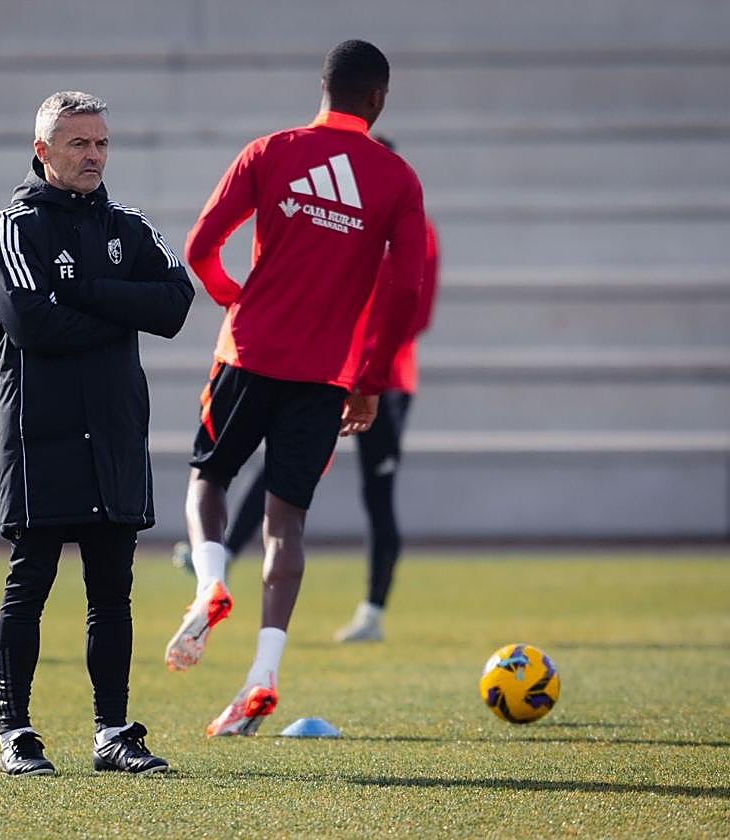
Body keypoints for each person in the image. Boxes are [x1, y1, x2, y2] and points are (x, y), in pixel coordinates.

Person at [165, 40, 427, 737]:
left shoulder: (270, 150)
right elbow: (406, 291)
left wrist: (233, 298)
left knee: (208, 479)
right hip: (324, 377)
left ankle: (210, 585)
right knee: (286, 523)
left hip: (248, 354)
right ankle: (263, 674)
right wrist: (369, 381)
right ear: (377, 99)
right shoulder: (398, 179)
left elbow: (199, 247)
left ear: (323, 86)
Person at [0, 90, 194, 776]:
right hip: (41, 435)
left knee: (111, 592)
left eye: (101, 143)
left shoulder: (128, 224)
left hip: (114, 435)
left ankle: (113, 733)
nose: (94, 155)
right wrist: (123, 310)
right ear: (42, 150)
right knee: (30, 585)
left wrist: (87, 291)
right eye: (78, 143)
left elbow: (176, 304)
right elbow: (31, 324)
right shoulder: (14, 226)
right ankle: (17, 733)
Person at [172, 135, 441, 644]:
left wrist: (364, 365)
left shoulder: (412, 225)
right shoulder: (353, 211)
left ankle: (372, 610)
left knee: (374, 494)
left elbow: (415, 310)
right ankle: (223, 564)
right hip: (329, 369)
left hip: (377, 378)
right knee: (279, 485)